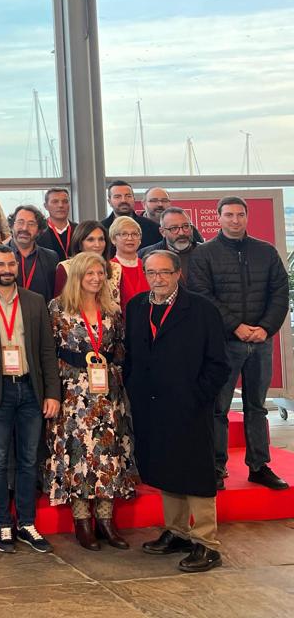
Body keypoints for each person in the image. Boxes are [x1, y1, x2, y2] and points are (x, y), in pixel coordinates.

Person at [125, 251, 230, 573]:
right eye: (151, 272)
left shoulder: (201, 309)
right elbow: (132, 354)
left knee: (195, 471)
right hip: (151, 405)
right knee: (166, 468)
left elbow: (219, 363)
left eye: (164, 273)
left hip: (189, 405)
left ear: (178, 273)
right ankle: (178, 531)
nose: (157, 279)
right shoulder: (137, 307)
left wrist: (198, 396)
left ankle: (207, 543)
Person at [188, 196, 290, 491]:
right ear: (218, 218)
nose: (235, 220)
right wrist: (236, 326)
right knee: (218, 408)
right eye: (229, 215)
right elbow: (203, 295)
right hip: (224, 343)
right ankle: (217, 467)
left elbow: (280, 292)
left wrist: (265, 328)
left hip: (260, 341)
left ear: (247, 217)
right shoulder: (203, 254)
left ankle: (259, 466)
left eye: (240, 215)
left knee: (256, 407)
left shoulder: (266, 252)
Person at [0, 246, 60, 554]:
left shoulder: (34, 301)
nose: (7, 268)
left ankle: (26, 524)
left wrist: (52, 393)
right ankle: (2, 523)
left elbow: (47, 351)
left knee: (29, 458)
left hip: (30, 389)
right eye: (0, 264)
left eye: (11, 263)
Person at [43, 252, 136, 551]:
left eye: (100, 273)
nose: (96, 279)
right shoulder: (57, 308)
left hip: (108, 392)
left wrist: (118, 385)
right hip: (73, 394)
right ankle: (83, 523)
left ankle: (106, 522)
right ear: (77, 276)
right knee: (79, 455)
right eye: (89, 274)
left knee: (107, 454)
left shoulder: (113, 310)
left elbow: (120, 349)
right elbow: (49, 352)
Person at [54, 221, 120, 304]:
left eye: (101, 239)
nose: (97, 244)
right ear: (80, 244)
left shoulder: (116, 268)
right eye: (90, 240)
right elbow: (59, 304)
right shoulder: (65, 267)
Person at [9, 205, 59, 300]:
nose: (24, 228)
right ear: (12, 226)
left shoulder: (51, 257)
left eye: (31, 224)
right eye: (20, 222)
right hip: (7, 313)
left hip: (42, 313)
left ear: (39, 230)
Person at [140, 207, 201, 279]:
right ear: (162, 232)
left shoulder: (206, 252)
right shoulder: (145, 255)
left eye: (186, 226)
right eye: (174, 228)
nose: (181, 233)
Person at [103, 180, 163, 251]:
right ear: (109, 202)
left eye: (128, 196)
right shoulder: (102, 229)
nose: (123, 200)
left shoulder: (153, 228)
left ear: (134, 199)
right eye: (117, 197)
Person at [109, 215, 148, 305]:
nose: (130, 238)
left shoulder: (148, 266)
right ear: (113, 239)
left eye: (134, 234)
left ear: (140, 240)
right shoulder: (109, 269)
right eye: (124, 234)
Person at [39, 187, 73, 257]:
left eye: (65, 201)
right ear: (46, 206)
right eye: (55, 202)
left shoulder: (79, 230)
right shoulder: (39, 233)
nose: (61, 205)